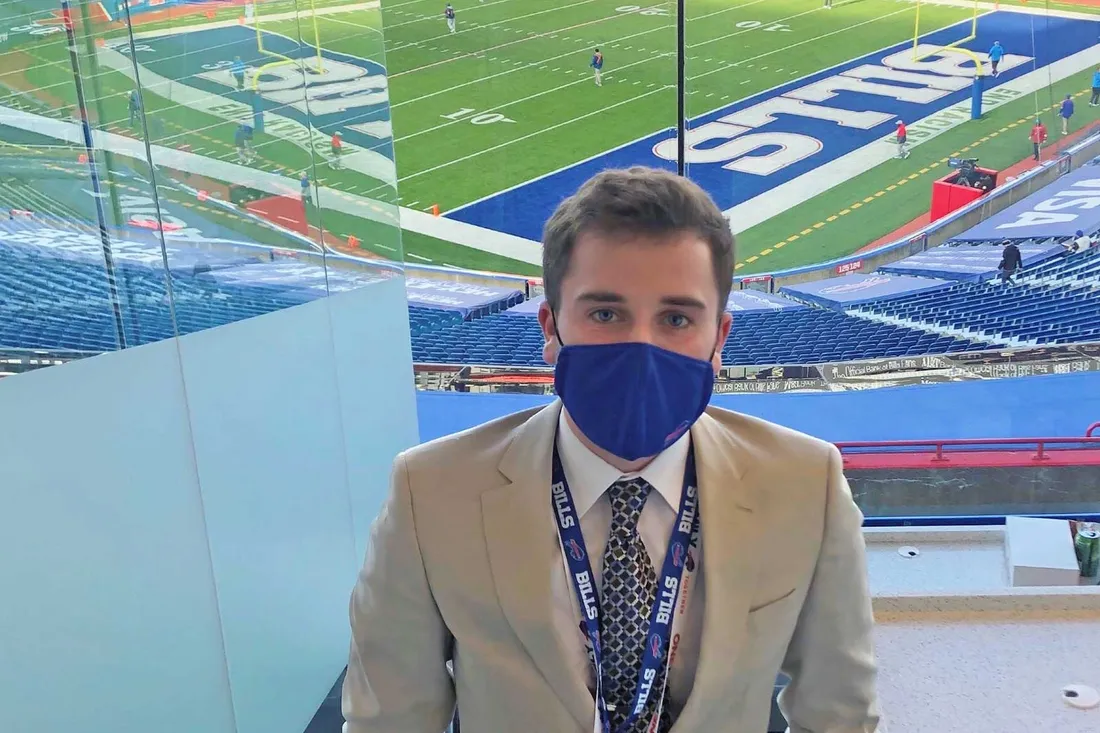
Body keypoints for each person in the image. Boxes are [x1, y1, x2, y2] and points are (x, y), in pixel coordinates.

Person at [342, 167, 880, 733]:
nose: (640, 347)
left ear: (718, 340)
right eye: (605, 314)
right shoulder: (432, 491)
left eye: (676, 318)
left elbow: (840, 713)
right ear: (550, 327)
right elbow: (390, 720)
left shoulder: (804, 483)